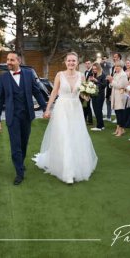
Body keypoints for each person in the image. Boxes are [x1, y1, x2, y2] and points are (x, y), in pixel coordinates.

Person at [33, 52, 97, 184]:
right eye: (69, 61)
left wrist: (90, 92)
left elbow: (84, 96)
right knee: (65, 136)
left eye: (74, 61)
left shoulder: (81, 76)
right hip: (62, 108)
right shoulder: (59, 75)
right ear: (65, 62)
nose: (71, 63)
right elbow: (54, 92)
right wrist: (47, 108)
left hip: (76, 109)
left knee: (76, 136)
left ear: (77, 62)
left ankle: (76, 166)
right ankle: (67, 172)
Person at [0, 52, 47, 185]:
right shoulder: (3, 78)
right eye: (7, 60)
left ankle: (20, 162)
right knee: (15, 145)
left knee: (24, 142)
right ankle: (19, 172)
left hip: (27, 115)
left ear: (18, 61)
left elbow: (36, 91)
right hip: (12, 116)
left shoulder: (28, 74)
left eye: (11, 60)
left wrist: (45, 107)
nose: (8, 62)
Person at [109, 61, 128, 136]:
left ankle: (121, 130)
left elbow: (120, 85)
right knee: (117, 113)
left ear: (121, 67)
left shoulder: (123, 75)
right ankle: (118, 129)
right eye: (115, 66)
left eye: (118, 66)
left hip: (120, 95)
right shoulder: (116, 73)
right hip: (115, 94)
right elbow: (113, 84)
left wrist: (111, 81)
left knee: (120, 113)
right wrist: (111, 82)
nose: (116, 67)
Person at [90, 62, 107, 131]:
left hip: (100, 95)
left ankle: (99, 126)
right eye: (93, 69)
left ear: (98, 68)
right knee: (96, 110)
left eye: (95, 69)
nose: (94, 70)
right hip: (94, 94)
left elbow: (104, 85)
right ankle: (101, 125)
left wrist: (96, 81)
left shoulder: (103, 75)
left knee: (98, 110)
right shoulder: (93, 74)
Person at [82, 60, 93, 125]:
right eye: (86, 64)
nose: (87, 65)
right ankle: (85, 119)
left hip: (90, 91)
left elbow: (91, 82)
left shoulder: (92, 72)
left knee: (88, 106)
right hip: (85, 90)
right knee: (85, 105)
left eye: (88, 63)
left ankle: (90, 121)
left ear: (91, 64)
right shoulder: (86, 71)